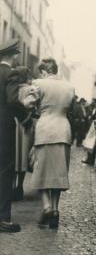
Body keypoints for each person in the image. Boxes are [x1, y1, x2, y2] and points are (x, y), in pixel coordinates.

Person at [30, 58, 75, 229]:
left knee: (40, 169)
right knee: (58, 172)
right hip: (63, 129)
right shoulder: (69, 87)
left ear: (43, 71)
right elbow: (71, 109)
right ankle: (55, 210)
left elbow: (30, 104)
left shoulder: (38, 83)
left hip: (45, 129)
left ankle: (47, 207)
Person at [0, 39, 32, 232]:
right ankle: (3, 219)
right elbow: (12, 101)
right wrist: (26, 118)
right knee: (4, 171)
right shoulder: (9, 73)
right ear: (11, 56)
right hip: (2, 129)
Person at [13, 66, 38, 201]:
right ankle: (20, 186)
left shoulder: (13, 89)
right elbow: (33, 106)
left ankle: (12, 186)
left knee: (14, 154)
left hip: (14, 123)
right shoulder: (31, 89)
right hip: (26, 124)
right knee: (23, 154)